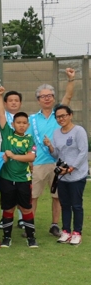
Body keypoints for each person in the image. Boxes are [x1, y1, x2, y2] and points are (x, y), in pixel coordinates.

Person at [28, 68, 76, 238]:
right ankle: (30, 226)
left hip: (58, 162)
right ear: (38, 99)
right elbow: (29, 142)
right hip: (38, 162)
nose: (46, 98)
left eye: (49, 96)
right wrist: (30, 160)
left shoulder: (59, 115)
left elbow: (68, 97)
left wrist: (70, 80)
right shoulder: (32, 119)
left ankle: (55, 225)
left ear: (54, 98)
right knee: (33, 196)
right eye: (43, 96)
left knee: (58, 196)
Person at [0, 86, 37, 248]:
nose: (21, 125)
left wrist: (13, 156)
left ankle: (31, 238)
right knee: (8, 209)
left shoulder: (29, 139)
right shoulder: (7, 134)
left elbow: (31, 157)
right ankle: (7, 238)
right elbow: (0, 113)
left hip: (23, 179)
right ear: (13, 124)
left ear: (27, 125)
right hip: (6, 179)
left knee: (26, 209)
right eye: (18, 122)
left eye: (24, 123)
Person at [43, 105, 88, 245]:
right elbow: (57, 154)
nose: (61, 119)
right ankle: (66, 231)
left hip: (77, 175)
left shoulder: (79, 131)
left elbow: (83, 152)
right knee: (65, 204)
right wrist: (50, 146)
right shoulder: (56, 133)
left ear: (70, 115)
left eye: (63, 115)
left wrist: (71, 168)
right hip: (62, 177)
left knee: (76, 205)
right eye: (58, 117)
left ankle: (77, 233)